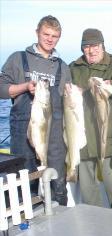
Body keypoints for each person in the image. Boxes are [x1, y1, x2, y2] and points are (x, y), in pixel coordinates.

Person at [0, 15, 71, 206]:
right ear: (37, 33)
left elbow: (68, 103)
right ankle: (25, 226)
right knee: (24, 184)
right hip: (23, 134)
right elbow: (1, 89)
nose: (50, 39)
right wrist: (24, 87)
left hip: (54, 136)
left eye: (54, 36)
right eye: (46, 34)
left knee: (57, 184)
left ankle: (59, 221)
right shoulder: (18, 58)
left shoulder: (62, 67)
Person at [69, 28, 112, 208]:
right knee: (88, 190)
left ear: (103, 46)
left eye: (95, 45)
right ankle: (94, 226)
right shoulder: (73, 68)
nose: (91, 50)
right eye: (86, 46)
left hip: (109, 138)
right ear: (82, 48)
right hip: (83, 138)